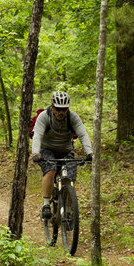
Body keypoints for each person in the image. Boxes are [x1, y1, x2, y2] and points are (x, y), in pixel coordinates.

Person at [31, 91, 93, 222]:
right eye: (58, 109)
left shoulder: (73, 117)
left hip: (66, 150)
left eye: (64, 109)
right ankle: (46, 204)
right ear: (52, 107)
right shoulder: (44, 117)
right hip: (46, 149)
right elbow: (37, 135)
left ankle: (68, 210)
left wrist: (90, 152)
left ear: (67, 109)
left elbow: (83, 134)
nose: (61, 112)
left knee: (69, 179)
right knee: (51, 170)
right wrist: (36, 153)